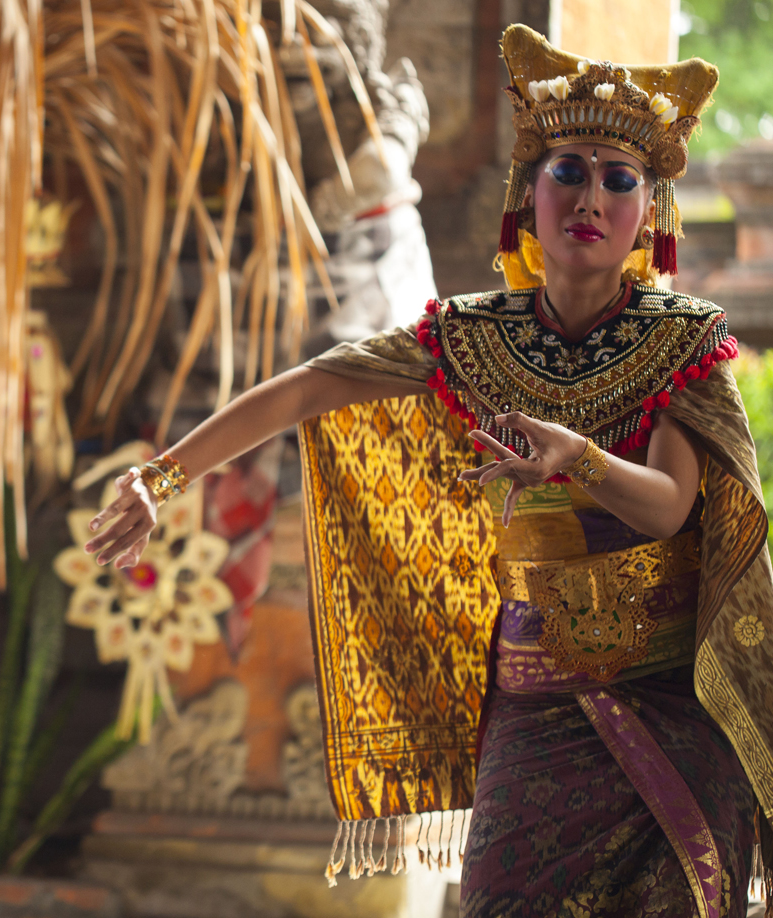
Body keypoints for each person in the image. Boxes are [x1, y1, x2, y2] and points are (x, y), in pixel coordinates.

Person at [85, 25, 773, 917]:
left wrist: (581, 461)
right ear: (528, 193)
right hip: (536, 710)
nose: (590, 197)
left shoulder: (683, 341)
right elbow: (302, 392)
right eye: (567, 169)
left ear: (652, 210)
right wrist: (161, 480)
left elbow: (673, 507)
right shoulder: (468, 338)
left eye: (619, 178)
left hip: (670, 709)